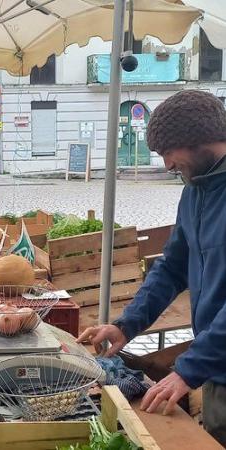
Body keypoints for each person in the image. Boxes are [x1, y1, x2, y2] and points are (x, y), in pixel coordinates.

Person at [77, 90, 226, 446]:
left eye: (168, 153)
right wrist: (126, 325)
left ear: (197, 140)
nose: (167, 165)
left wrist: (188, 370)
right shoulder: (195, 192)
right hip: (218, 370)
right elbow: (172, 268)